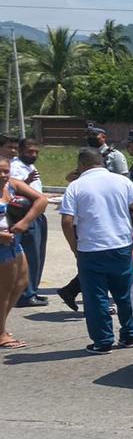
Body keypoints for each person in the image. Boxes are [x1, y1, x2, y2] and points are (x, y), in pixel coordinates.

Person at [59, 147, 133, 354]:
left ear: (81, 165)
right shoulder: (122, 181)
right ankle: (129, 334)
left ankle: (103, 341)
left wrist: (74, 247)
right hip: (121, 245)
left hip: (91, 249)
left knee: (96, 297)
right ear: (102, 162)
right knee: (124, 293)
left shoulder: (76, 186)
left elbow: (66, 220)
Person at [1, 152, 49, 349]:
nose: (4, 175)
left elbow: (42, 200)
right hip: (1, 245)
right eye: (0, 172)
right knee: (3, 292)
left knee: (21, 283)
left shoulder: (12, 185)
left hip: (14, 242)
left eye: (6, 171)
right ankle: (1, 334)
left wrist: (25, 222)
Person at [10, 138, 49, 307]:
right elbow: (14, 192)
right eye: (29, 152)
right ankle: (25, 294)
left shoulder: (30, 166)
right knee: (30, 255)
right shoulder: (15, 167)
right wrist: (26, 181)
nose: (33, 155)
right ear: (20, 151)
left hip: (38, 213)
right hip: (26, 214)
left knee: (38, 255)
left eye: (36, 152)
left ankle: (33, 290)